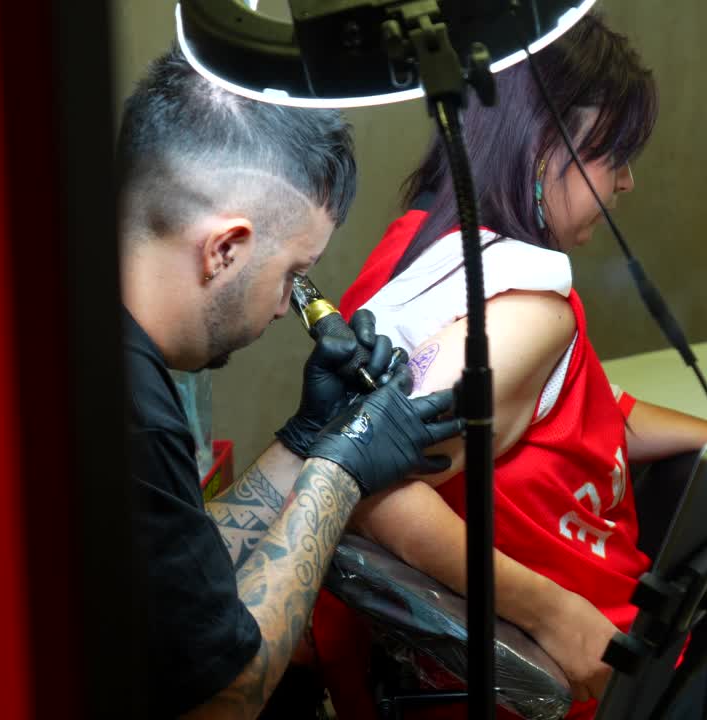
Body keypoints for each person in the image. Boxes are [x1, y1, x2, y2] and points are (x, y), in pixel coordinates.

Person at [313, 14, 707, 720]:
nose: (626, 181)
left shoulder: (421, 244)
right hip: (584, 681)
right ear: (545, 144)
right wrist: (553, 616)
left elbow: (594, 411)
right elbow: (367, 486)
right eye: (613, 154)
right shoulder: (525, 311)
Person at [118, 48, 465, 719]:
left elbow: (180, 585)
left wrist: (307, 439)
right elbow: (226, 697)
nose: (286, 308)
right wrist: (339, 476)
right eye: (292, 273)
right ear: (225, 249)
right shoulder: (134, 412)